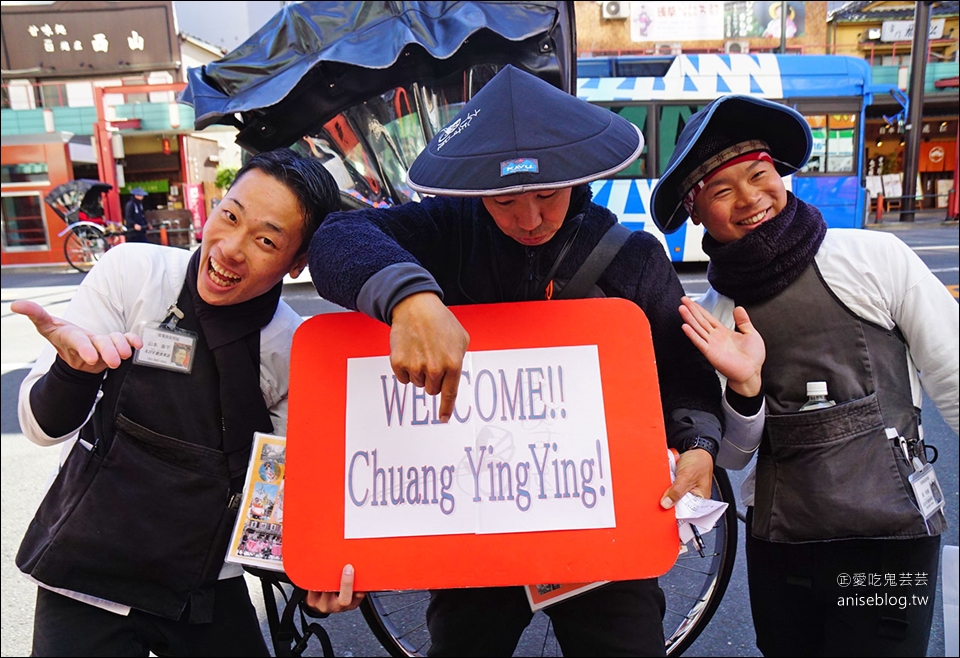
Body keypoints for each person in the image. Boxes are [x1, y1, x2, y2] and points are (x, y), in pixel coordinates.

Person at [307, 64, 761, 657]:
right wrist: (408, 297)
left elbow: (682, 373)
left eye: (547, 194)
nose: (528, 219)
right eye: (504, 199)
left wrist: (699, 445)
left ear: (576, 175)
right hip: (475, 526)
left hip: (604, 531)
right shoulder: (447, 232)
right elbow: (336, 239)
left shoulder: (633, 258)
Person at [13, 148, 362, 657]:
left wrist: (315, 585)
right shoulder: (134, 272)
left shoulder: (294, 346)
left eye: (266, 240)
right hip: (88, 566)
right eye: (230, 216)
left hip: (201, 582)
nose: (230, 249)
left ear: (297, 263)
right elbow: (40, 427)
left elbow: (272, 500)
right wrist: (72, 373)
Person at [650, 94, 959, 657]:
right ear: (695, 212)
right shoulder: (712, 314)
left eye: (759, 175)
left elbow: (955, 372)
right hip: (783, 545)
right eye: (721, 191)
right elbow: (738, 455)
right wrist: (745, 387)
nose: (749, 199)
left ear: (780, 173)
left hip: (892, 539)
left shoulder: (875, 257)